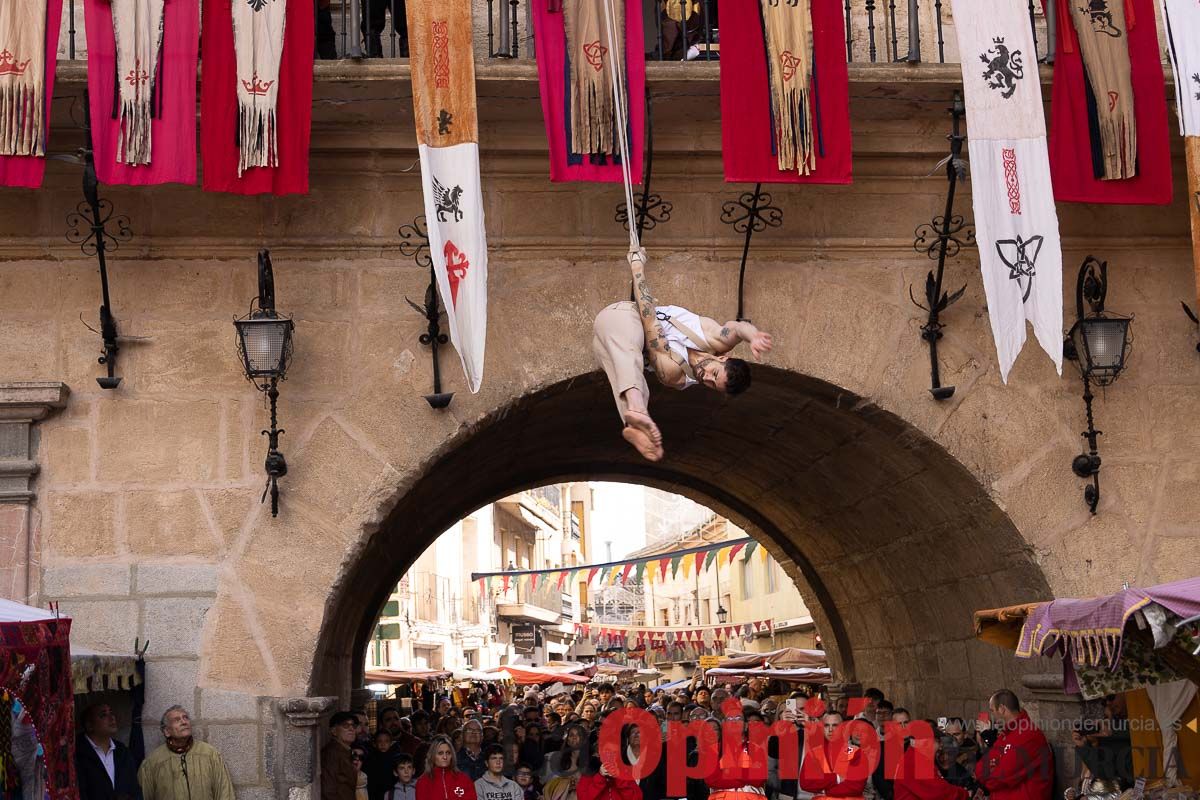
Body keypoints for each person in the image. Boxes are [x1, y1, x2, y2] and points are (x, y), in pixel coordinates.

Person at [592, 249, 774, 461]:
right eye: (714, 374)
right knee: (628, 350)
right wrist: (754, 336)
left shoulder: (676, 376)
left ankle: (635, 421)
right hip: (620, 317)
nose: (705, 378)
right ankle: (637, 412)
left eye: (712, 385)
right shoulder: (713, 337)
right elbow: (738, 329)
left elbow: (651, 328)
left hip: (606, 347)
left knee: (624, 370)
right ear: (722, 357)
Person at [138, 706, 236, 800]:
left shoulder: (210, 754)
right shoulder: (152, 762)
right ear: (167, 731)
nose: (184, 722)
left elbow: (225, 793)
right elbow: (143, 795)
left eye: (185, 718)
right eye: (177, 720)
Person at [973, 691, 1052, 800]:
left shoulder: (1028, 734)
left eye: (992, 711)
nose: (992, 716)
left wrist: (994, 769)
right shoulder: (1007, 733)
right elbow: (980, 768)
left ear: (1001, 709)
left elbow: (999, 778)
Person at [76, 703, 142, 800]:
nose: (112, 718)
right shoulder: (78, 753)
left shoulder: (122, 752)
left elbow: (134, 789)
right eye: (103, 715)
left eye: (111, 713)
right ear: (90, 725)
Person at [417, 736, 478, 800]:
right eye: (440, 753)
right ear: (433, 756)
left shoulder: (464, 779)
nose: (445, 757)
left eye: (448, 753)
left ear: (452, 755)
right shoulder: (423, 782)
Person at [324, 712, 361, 800]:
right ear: (334, 731)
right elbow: (328, 791)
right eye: (345, 725)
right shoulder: (331, 753)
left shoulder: (345, 751)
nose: (351, 729)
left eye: (353, 726)